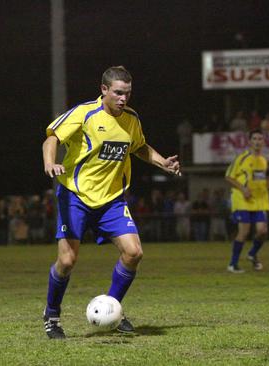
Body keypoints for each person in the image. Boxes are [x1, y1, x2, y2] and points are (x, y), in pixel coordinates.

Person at [41, 66, 181, 339]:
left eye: (127, 93)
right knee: (67, 261)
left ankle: (112, 306)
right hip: (76, 196)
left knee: (133, 253)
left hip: (112, 200)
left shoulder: (131, 118)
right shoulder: (85, 114)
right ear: (104, 89)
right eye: (118, 92)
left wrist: (162, 162)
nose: (123, 98)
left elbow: (139, 146)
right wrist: (50, 162)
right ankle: (52, 314)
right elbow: (52, 137)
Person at [225, 129, 269, 273]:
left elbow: (257, 179)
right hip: (242, 199)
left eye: (260, 139)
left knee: (263, 231)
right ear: (250, 141)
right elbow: (229, 176)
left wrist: (266, 184)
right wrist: (243, 189)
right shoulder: (242, 158)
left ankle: (252, 254)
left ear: (263, 142)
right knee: (244, 232)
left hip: (259, 200)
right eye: (255, 139)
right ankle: (233, 264)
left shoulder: (263, 161)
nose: (257, 141)